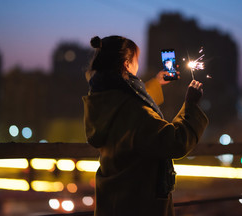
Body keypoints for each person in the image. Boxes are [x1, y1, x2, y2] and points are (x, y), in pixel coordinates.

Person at [83, 35, 208, 216]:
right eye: (136, 60)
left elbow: (130, 110)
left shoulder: (101, 100)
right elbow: (174, 142)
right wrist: (191, 106)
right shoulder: (133, 112)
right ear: (127, 64)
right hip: (137, 202)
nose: (138, 65)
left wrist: (156, 83)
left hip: (112, 201)